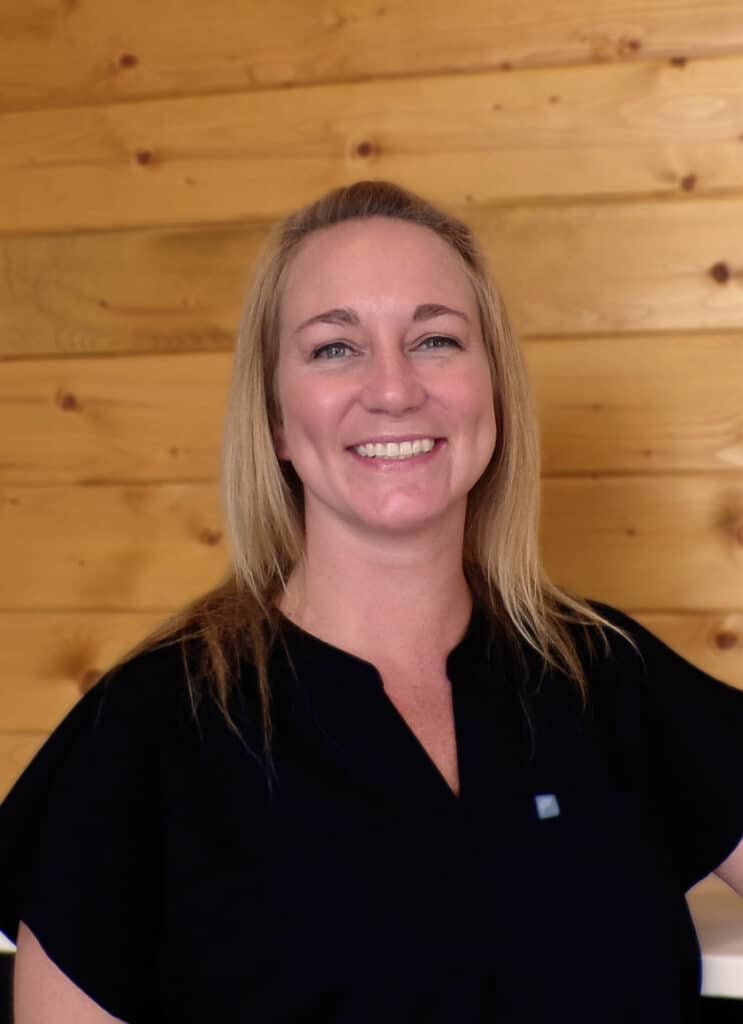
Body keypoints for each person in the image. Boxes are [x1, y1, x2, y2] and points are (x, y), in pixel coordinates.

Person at [1, 180, 742, 1024]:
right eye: (333, 348)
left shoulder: (602, 674)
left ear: (490, 391)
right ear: (276, 420)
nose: (393, 389)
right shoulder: (145, 736)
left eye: (434, 339)